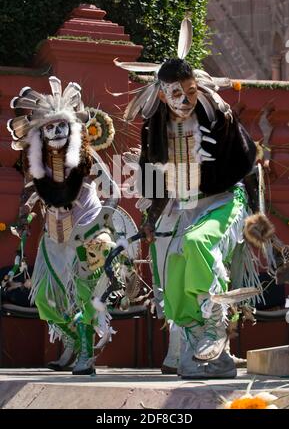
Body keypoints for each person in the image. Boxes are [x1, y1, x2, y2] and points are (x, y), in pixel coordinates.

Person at [116, 20, 274, 377]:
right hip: (181, 206)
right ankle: (202, 350)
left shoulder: (220, 117)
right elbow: (151, 178)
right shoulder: (153, 127)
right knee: (173, 279)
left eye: (189, 90)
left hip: (223, 202)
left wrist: (259, 223)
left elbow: (248, 166)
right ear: (161, 94)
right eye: (176, 93)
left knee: (198, 242)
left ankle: (216, 322)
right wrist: (149, 223)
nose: (185, 100)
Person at [7, 77, 120, 375]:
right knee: (44, 298)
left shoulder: (85, 158)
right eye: (49, 128)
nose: (56, 132)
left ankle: (86, 355)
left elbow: (113, 192)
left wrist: (101, 224)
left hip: (86, 236)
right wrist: (24, 215)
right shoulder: (39, 165)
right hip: (54, 238)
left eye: (61, 126)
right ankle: (72, 341)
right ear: (40, 134)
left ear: (73, 128)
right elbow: (30, 193)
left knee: (84, 296)